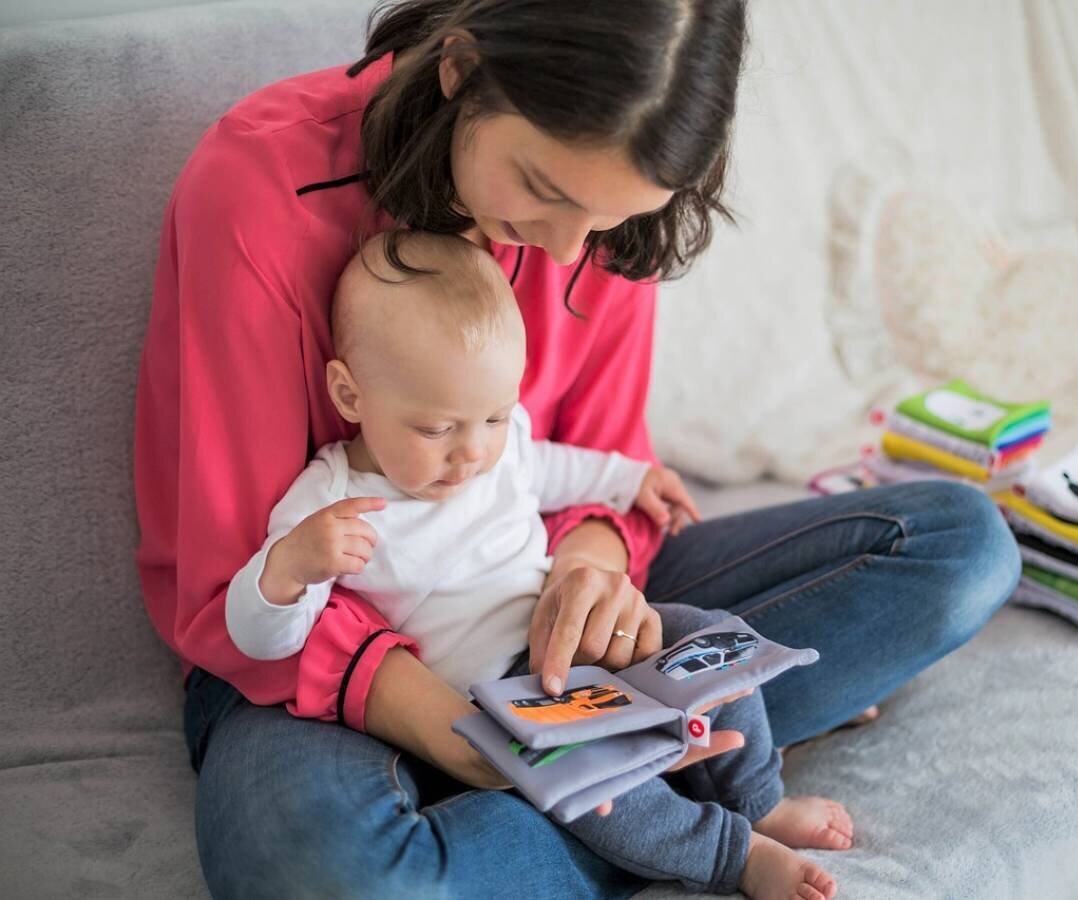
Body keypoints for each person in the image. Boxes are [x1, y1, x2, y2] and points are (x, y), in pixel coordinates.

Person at [133, 1, 1022, 897]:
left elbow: (598, 468)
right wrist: (455, 731)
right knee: (331, 877)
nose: (569, 250)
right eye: (546, 191)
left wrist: (590, 577)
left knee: (963, 547)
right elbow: (239, 582)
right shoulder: (257, 191)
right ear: (461, 68)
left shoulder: (602, 218)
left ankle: (618, 781)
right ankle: (658, 797)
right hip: (310, 660)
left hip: (539, 620)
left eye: (606, 219)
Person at [221, 230, 845, 897]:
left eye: (493, 417)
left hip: (575, 628)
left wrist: (628, 479)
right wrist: (289, 568)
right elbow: (261, 639)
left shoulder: (496, 441)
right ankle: (732, 855)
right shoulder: (333, 499)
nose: (472, 452)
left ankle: (758, 799)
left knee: (713, 638)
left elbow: (548, 467)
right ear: (351, 396)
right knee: (599, 784)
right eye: (435, 429)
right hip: (505, 693)